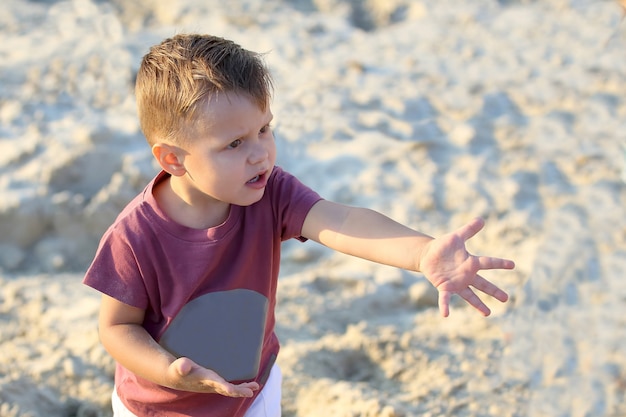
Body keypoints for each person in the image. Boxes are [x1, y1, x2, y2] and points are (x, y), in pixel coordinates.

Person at [83, 33, 515, 417]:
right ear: (173, 159)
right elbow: (117, 327)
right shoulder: (135, 237)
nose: (260, 154)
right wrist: (171, 372)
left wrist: (421, 253)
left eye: (264, 129)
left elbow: (340, 219)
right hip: (161, 407)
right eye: (234, 143)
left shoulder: (269, 192)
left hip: (254, 389)